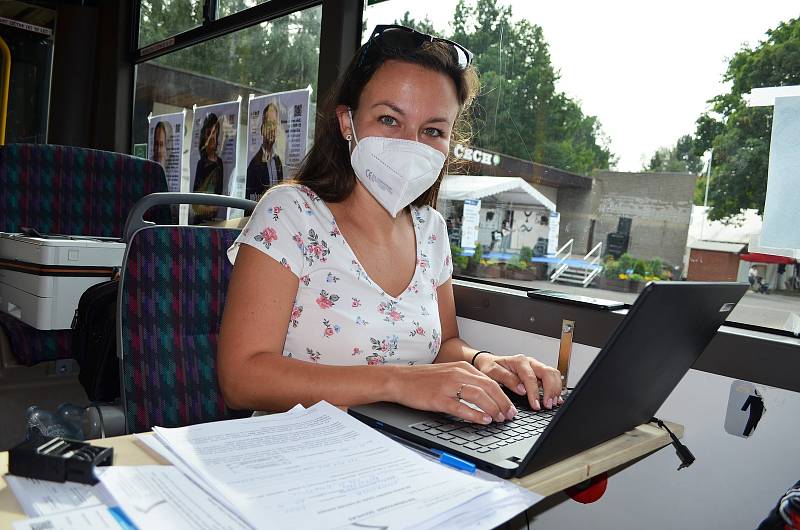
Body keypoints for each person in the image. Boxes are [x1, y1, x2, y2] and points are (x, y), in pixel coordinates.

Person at [218, 24, 562, 426]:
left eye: (433, 130)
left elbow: (444, 345)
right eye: (389, 119)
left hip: (402, 449)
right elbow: (242, 378)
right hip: (299, 448)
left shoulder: (431, 230)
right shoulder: (290, 213)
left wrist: (485, 363)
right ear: (348, 122)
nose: (410, 145)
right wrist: (399, 383)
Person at [245, 102, 284, 201]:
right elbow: (249, 202)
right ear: (262, 129)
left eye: (274, 124)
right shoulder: (254, 165)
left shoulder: (278, 161)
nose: (272, 129)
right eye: (269, 124)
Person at [192, 113, 224, 221]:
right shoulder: (201, 163)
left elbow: (220, 190)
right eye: (209, 133)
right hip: (201, 215)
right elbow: (195, 194)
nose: (212, 138)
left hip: (215, 215)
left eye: (215, 133)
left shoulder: (219, 162)